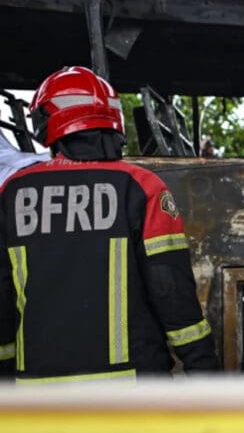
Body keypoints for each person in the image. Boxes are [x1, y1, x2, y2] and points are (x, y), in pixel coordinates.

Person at [0, 66, 219, 383]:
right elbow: (172, 294)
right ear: (113, 122)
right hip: (131, 397)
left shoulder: (12, 194)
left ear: (48, 122)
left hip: (39, 399)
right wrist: (207, 375)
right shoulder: (142, 187)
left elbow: (2, 299)